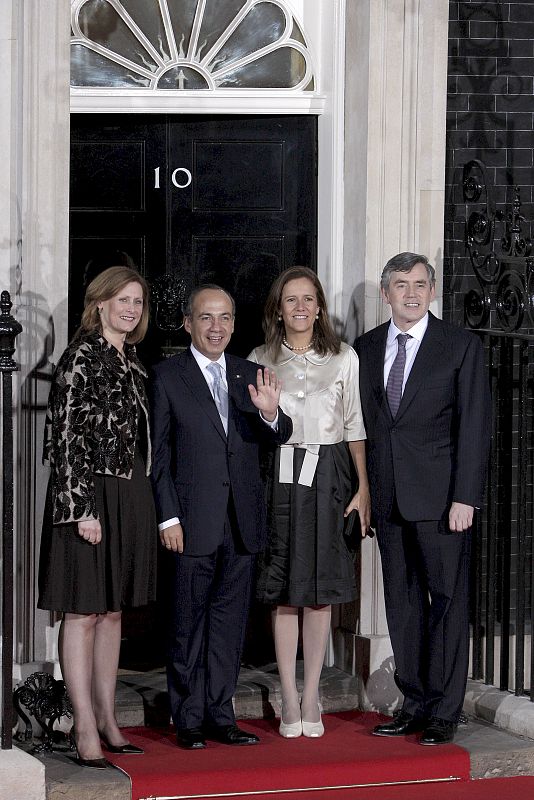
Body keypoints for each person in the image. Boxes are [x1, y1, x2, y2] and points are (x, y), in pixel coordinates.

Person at [355, 252, 491, 745]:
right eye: (399, 285)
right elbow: (363, 428)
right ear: (386, 293)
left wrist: (465, 498)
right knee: (403, 605)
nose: (410, 293)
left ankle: (443, 712)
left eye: (419, 284)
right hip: (389, 501)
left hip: (442, 503)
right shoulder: (365, 348)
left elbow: (474, 428)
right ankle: (413, 704)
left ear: (432, 291)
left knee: (447, 605)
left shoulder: (459, 346)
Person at [150, 284, 292, 750]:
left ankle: (219, 714)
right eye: (206, 318)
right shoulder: (168, 377)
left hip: (241, 525)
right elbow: (160, 456)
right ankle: (187, 718)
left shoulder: (250, 373)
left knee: (229, 628)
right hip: (190, 523)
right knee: (186, 624)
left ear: (234, 323)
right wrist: (168, 517)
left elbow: (280, 430)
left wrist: (272, 415)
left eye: (225, 318)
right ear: (189, 324)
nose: (217, 327)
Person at [38, 266, 157, 768]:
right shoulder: (80, 357)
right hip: (87, 498)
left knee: (113, 611)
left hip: (129, 493)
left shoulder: (133, 361)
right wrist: (81, 508)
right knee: (84, 611)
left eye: (137, 302)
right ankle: (83, 723)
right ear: (100, 303)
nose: (130, 309)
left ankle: (109, 717)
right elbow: (64, 440)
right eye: (122, 300)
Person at [248, 266, 371, 739]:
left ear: (319, 307)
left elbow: (355, 425)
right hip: (278, 478)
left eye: (308, 299)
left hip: (331, 477)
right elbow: (253, 428)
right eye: (291, 299)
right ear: (279, 309)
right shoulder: (260, 357)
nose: (300, 307)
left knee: (319, 590)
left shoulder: (344, 357)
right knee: (284, 589)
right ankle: (288, 694)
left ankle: (313, 692)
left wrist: (364, 487)